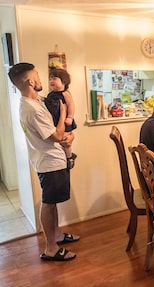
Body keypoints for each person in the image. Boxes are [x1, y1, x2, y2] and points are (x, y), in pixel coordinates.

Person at [8, 63, 78, 261]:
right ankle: (51, 248)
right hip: (49, 162)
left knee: (52, 201)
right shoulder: (31, 109)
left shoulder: (36, 101)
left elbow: (57, 133)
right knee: (48, 203)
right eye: (37, 76)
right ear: (30, 81)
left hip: (52, 159)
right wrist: (64, 113)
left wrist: (69, 136)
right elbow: (56, 135)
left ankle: (56, 236)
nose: (41, 79)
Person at [44, 68, 77, 169]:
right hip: (55, 122)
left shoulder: (65, 94)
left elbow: (71, 105)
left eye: (54, 79)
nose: (51, 81)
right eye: (50, 79)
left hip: (65, 122)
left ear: (64, 81)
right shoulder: (50, 95)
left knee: (65, 139)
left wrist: (70, 117)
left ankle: (69, 157)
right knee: (59, 139)